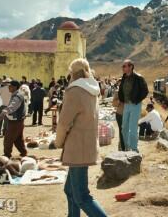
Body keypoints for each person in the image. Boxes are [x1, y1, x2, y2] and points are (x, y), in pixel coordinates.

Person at [55, 58, 107, 217]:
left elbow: (64, 123)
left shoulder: (74, 91)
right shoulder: (92, 90)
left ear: (73, 73)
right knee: (69, 190)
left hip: (77, 148)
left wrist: (58, 142)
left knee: (82, 197)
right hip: (88, 145)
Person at [118, 59, 148, 152]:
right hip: (126, 105)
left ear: (131, 67)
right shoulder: (124, 77)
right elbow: (121, 90)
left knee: (133, 128)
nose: (123, 68)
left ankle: (134, 148)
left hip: (135, 105)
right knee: (124, 128)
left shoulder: (139, 78)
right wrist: (121, 99)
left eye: (124, 66)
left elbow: (145, 91)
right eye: (123, 66)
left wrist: (137, 100)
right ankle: (127, 147)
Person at [0, 80, 27, 158]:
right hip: (18, 121)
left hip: (16, 121)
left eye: (10, 86)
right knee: (18, 139)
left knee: (8, 139)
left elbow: (12, 106)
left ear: (15, 87)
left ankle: (7, 155)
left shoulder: (17, 96)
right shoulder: (16, 94)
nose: (8, 87)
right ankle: (23, 152)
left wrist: (3, 113)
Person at [112, 79, 125, 151]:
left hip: (129, 114)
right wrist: (120, 99)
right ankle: (122, 148)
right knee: (122, 131)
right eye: (120, 84)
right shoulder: (117, 92)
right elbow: (113, 104)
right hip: (120, 114)